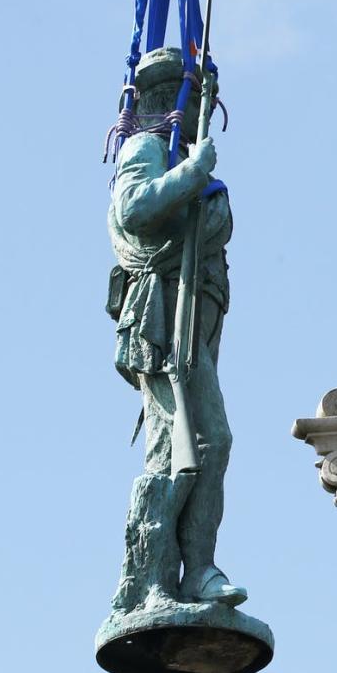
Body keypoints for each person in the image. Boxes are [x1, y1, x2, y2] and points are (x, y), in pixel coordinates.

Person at [106, 46, 245, 611]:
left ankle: (198, 569)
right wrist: (192, 172)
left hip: (195, 324)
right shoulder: (147, 150)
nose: (202, 110)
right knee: (181, 446)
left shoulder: (183, 159)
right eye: (196, 97)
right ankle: (152, 582)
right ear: (173, 99)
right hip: (163, 324)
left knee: (209, 442)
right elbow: (135, 209)